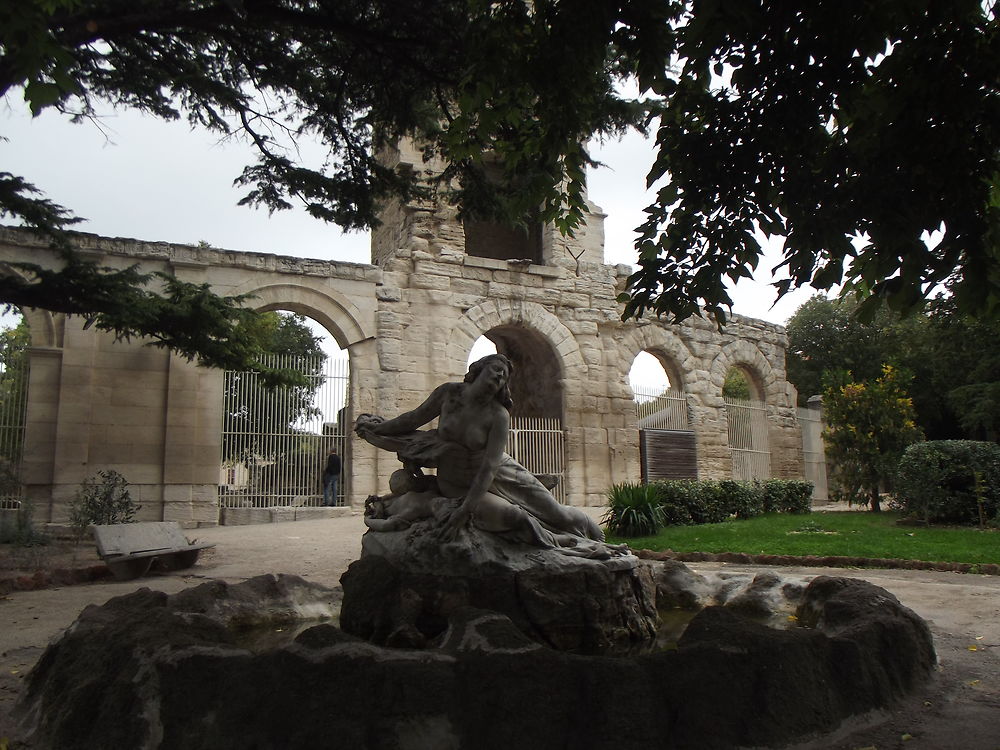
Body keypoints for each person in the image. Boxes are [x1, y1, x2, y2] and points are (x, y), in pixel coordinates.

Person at [354, 354, 608, 554]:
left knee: (557, 513)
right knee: (516, 517)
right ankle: (560, 541)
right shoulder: (448, 394)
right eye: (496, 371)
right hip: (458, 482)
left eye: (504, 378)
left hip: (502, 472)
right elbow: (412, 419)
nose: (499, 378)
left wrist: (465, 511)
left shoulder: (498, 415)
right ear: (478, 370)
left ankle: (596, 536)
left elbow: (490, 467)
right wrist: (379, 428)